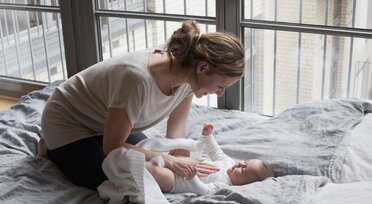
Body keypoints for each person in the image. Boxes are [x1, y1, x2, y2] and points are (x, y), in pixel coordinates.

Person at [39, 20, 245, 190]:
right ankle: (50, 148)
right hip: (68, 122)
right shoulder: (137, 79)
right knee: (122, 180)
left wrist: (181, 162)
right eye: (221, 86)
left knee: (152, 165)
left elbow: (176, 130)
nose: (219, 94)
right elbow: (113, 147)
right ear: (202, 67)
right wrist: (170, 161)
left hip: (103, 124)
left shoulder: (188, 77)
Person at [144, 122, 276, 195]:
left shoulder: (224, 186)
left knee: (156, 171)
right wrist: (208, 137)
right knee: (184, 145)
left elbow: (203, 190)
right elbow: (216, 152)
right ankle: (155, 152)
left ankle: (135, 162)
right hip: (184, 161)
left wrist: (192, 178)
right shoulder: (229, 162)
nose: (240, 164)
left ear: (243, 185)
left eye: (243, 170)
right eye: (245, 162)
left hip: (178, 181)